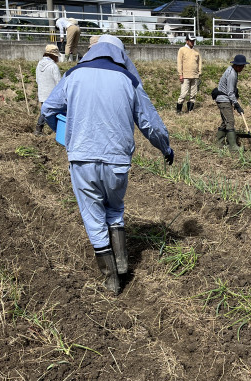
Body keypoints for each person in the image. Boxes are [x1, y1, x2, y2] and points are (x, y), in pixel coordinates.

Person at [41, 36, 174, 295]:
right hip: (117, 160)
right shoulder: (128, 80)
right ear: (119, 55)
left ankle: (112, 280)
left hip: (82, 158)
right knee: (114, 208)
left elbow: (48, 109)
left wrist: (64, 134)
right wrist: (165, 148)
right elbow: (149, 123)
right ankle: (122, 264)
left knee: (93, 217)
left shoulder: (73, 75)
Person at [214, 54, 249, 152]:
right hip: (224, 100)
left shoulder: (231, 70)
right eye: (242, 66)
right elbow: (229, 92)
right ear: (237, 65)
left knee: (225, 122)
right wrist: (236, 104)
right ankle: (233, 146)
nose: (243, 68)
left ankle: (219, 144)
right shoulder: (232, 74)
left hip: (223, 99)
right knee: (230, 121)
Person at [35, 44, 61, 135]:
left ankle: (39, 129)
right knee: (54, 112)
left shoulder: (39, 64)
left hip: (42, 93)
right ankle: (57, 130)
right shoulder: (53, 66)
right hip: (52, 94)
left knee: (44, 111)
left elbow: (37, 79)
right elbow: (59, 83)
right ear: (54, 56)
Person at [176, 34, 201, 113]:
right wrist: (180, 74)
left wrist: (199, 72)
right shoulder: (182, 50)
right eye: (191, 41)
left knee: (193, 94)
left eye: (193, 41)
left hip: (195, 75)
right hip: (185, 75)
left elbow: (199, 62)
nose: (192, 42)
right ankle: (179, 110)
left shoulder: (196, 51)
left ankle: (190, 110)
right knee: (183, 94)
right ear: (187, 41)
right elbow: (179, 62)